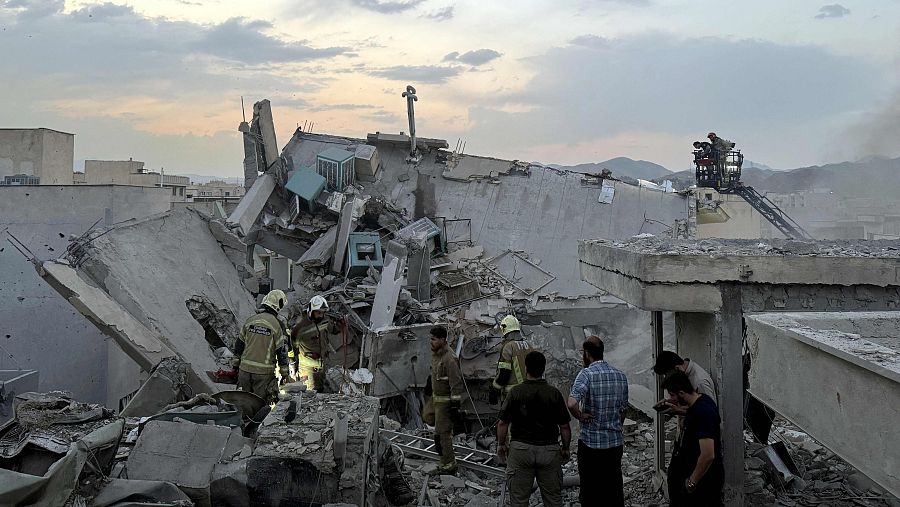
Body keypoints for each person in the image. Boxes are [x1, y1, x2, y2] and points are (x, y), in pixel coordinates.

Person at [497, 351, 571, 507]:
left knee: (518, 500)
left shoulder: (515, 392)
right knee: (553, 500)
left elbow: (503, 423)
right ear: (543, 369)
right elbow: (564, 426)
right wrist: (565, 448)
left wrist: (501, 444)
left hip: (520, 451)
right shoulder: (554, 393)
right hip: (549, 452)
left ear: (526, 368)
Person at [567, 336, 628, 507]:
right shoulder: (620, 375)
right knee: (614, 488)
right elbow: (623, 410)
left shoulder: (586, 374)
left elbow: (571, 403)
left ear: (586, 353)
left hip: (591, 445)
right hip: (614, 444)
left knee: (591, 490)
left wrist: (579, 416)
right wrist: (617, 426)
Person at [662, 370, 724, 506]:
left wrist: (691, 482)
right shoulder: (700, 402)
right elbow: (695, 415)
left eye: (673, 395)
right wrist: (680, 411)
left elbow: (708, 455)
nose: (671, 398)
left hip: (702, 484)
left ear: (682, 393)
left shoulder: (703, 413)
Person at [233, 289, 292, 403]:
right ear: (279, 306)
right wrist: (284, 375)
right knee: (259, 406)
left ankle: (243, 420)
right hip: (263, 374)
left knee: (244, 405)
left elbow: (239, 346)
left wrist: (235, 367)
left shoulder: (250, 320)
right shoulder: (277, 325)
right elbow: (282, 352)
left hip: (244, 371)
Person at [430, 325, 465, 475]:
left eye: (434, 339)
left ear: (443, 340)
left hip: (445, 404)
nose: (431, 342)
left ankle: (449, 466)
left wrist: (455, 406)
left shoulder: (450, 359)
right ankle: (444, 461)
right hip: (437, 402)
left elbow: (456, 384)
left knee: (443, 435)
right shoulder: (437, 355)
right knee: (438, 435)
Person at [291, 295, 340, 391]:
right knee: (309, 396)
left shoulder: (324, 322)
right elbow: (292, 348)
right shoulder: (300, 328)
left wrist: (339, 323)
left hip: (321, 367)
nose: (321, 316)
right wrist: (292, 366)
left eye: (323, 313)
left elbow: (334, 330)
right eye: (318, 313)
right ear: (311, 311)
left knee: (320, 391)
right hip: (307, 370)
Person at [489, 315, 534, 407]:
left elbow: (504, 373)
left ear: (505, 329)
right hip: (530, 394)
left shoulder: (508, 347)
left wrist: (494, 391)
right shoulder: (528, 346)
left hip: (513, 397)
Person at [653, 351, 717, 403]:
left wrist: (679, 410)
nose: (667, 377)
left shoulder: (700, 382)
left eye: (666, 374)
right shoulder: (685, 374)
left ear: (677, 368)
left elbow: (709, 412)